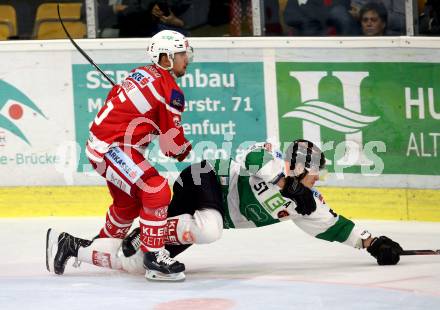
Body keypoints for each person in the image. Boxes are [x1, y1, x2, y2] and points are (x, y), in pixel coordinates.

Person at [46, 140, 404, 279]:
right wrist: (290, 185)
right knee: (210, 230)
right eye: (312, 174)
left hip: (205, 214)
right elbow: (253, 158)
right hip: (202, 180)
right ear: (297, 166)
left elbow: (335, 226)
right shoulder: (274, 158)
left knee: (138, 264)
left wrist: (372, 243)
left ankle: (71, 246)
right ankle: (145, 233)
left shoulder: (307, 203)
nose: (317, 181)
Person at [57, 30, 193, 282]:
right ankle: (154, 257)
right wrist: (184, 149)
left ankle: (90, 246)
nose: (188, 58)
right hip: (113, 149)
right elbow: (171, 145)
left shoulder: (139, 73)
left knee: (127, 206)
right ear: (166, 58)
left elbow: (121, 105)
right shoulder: (171, 90)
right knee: (156, 189)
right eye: (182, 53)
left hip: (102, 146)